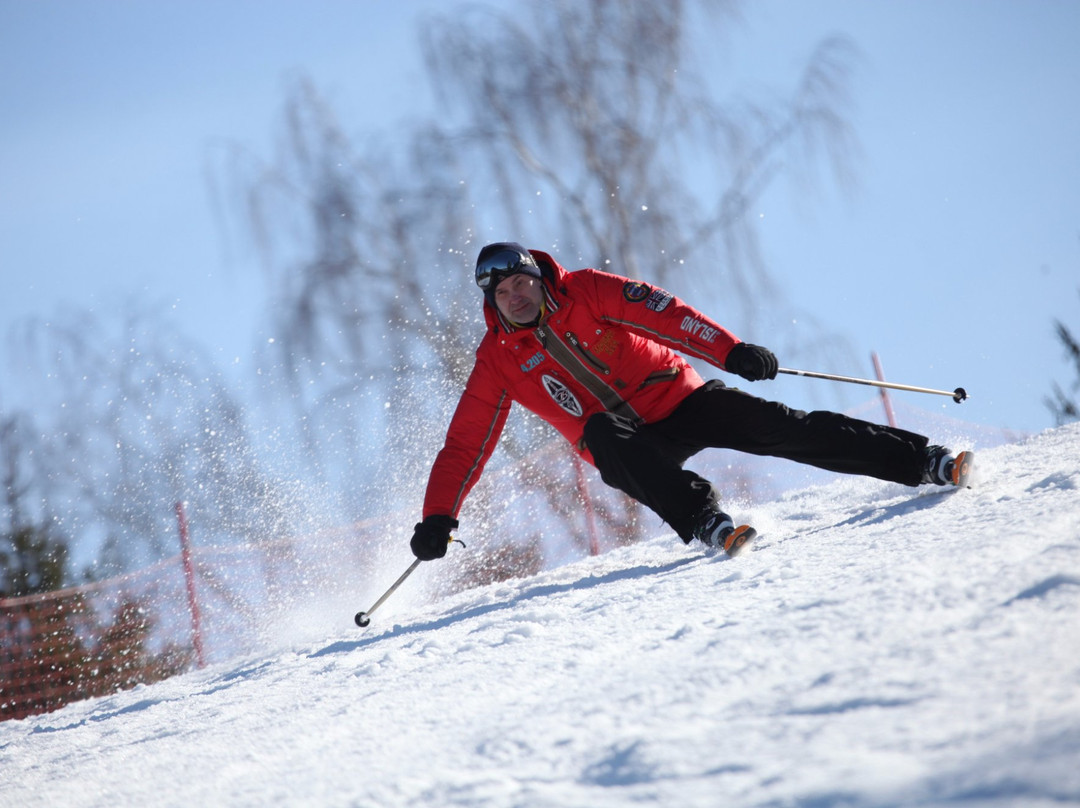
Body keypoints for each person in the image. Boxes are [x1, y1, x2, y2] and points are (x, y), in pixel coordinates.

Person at [410, 242, 973, 560]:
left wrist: (730, 353)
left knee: (781, 426)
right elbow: (465, 443)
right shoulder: (497, 360)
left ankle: (924, 460)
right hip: (626, 444)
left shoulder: (586, 288)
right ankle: (707, 521)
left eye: (522, 283)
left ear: (538, 278)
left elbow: (663, 313)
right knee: (601, 435)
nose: (517, 296)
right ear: (493, 302)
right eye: (503, 292)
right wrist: (438, 516)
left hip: (679, 399)